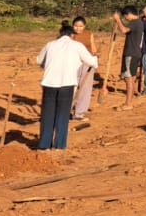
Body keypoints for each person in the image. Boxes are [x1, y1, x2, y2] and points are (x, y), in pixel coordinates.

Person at [35, 22, 99, 151]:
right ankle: (59, 145)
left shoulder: (50, 44)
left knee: (47, 115)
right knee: (62, 115)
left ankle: (44, 145)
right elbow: (92, 63)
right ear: (72, 35)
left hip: (49, 84)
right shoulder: (77, 46)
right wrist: (95, 57)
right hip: (67, 84)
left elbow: (39, 61)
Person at [111, 7, 144, 110]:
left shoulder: (135, 22)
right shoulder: (139, 23)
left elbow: (124, 30)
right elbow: (125, 30)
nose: (125, 19)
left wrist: (118, 20)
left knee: (128, 78)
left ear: (128, 14)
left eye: (125, 16)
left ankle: (128, 103)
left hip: (131, 53)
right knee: (131, 78)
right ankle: (129, 102)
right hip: (135, 53)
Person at [69, 16, 98, 120]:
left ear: (84, 26)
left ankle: (79, 113)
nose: (78, 28)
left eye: (80, 26)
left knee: (85, 88)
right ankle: (66, 110)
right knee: (71, 86)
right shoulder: (70, 35)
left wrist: (95, 56)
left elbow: (93, 47)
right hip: (73, 63)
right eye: (76, 26)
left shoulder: (89, 34)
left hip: (87, 62)